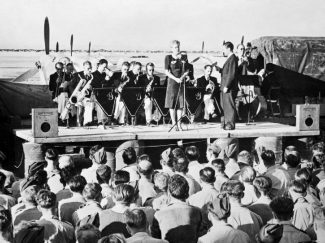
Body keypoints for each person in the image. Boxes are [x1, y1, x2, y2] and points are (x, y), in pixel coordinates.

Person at [151, 174, 202, 243]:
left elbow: (155, 239)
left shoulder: (159, 214)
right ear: (187, 192)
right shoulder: (197, 212)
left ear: (169, 192)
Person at [164, 40, 191, 131]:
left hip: (181, 82)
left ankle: (179, 124)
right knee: (172, 104)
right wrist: (176, 79)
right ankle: (174, 123)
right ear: (171, 48)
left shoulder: (183, 57)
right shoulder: (168, 57)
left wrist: (182, 77)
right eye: (175, 47)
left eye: (178, 47)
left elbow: (187, 70)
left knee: (180, 104)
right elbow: (166, 71)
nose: (177, 49)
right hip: (172, 83)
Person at [215, 41, 238, 130]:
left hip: (228, 88)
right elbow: (227, 72)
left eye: (224, 49)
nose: (223, 51)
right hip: (225, 87)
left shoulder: (233, 58)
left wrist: (227, 86)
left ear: (228, 49)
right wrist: (219, 69)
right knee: (224, 105)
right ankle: (225, 123)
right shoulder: (230, 58)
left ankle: (230, 124)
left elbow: (231, 74)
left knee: (229, 106)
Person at [70, 60, 94, 126]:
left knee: (89, 103)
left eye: (91, 68)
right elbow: (71, 86)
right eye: (88, 68)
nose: (90, 70)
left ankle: (86, 122)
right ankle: (79, 122)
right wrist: (75, 94)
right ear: (83, 67)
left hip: (86, 97)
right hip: (77, 97)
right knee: (80, 105)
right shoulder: (77, 75)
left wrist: (91, 88)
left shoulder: (92, 76)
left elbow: (94, 89)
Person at [91, 59, 114, 129]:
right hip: (96, 94)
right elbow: (96, 85)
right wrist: (105, 80)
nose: (105, 69)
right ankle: (101, 121)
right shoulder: (93, 75)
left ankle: (108, 120)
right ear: (99, 66)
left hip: (105, 95)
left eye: (106, 67)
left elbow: (110, 85)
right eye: (104, 67)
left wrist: (110, 77)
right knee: (100, 103)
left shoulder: (105, 74)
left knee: (111, 101)